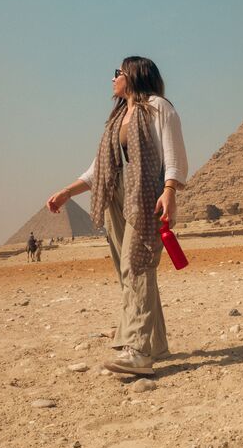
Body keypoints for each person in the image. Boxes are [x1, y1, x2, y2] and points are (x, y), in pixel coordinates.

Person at [46, 56, 188, 376]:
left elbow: (174, 151)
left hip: (145, 195)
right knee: (130, 271)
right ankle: (155, 344)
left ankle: (137, 350)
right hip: (115, 197)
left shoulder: (158, 107)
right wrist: (67, 192)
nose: (112, 79)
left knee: (136, 264)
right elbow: (100, 169)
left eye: (117, 73)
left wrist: (169, 191)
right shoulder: (118, 117)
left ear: (134, 76)